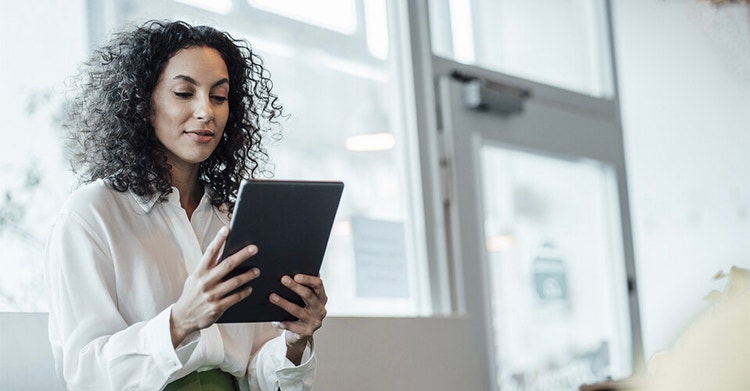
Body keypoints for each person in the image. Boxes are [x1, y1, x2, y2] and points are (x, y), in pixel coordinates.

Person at [44, 20, 327, 390]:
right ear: (143, 102)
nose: (206, 111)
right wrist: (179, 322)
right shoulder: (91, 215)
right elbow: (85, 375)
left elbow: (257, 373)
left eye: (219, 97)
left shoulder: (232, 217)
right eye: (183, 93)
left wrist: (294, 341)